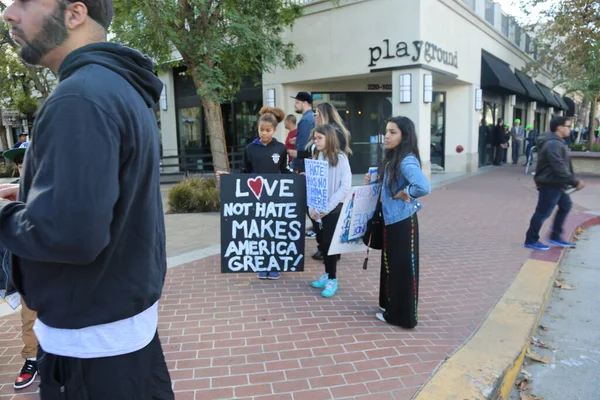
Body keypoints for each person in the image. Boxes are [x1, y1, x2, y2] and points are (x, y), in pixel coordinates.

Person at [1, 1, 174, 399]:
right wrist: (30, 193)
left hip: (90, 355)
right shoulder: (118, 85)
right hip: (120, 337)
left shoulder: (78, 97)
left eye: (24, 2)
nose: (9, 14)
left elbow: (70, 235)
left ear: (75, 14)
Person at [363, 116, 431, 329]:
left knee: (402, 269)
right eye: (386, 131)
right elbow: (388, 185)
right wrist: (373, 180)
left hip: (402, 222)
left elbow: (423, 186)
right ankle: (390, 306)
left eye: (393, 132)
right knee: (390, 266)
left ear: (404, 135)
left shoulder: (406, 160)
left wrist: (407, 192)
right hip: (391, 221)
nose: (387, 136)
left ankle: (401, 316)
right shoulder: (394, 157)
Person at [217, 107, 290, 279]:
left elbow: (285, 170)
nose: (264, 133)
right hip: (256, 197)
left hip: (275, 197)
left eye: (268, 130)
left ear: (275, 130)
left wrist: (299, 177)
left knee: (274, 231)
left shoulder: (280, 148)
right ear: (257, 128)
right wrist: (228, 177)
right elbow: (244, 172)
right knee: (259, 232)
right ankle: (262, 264)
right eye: (261, 130)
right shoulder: (250, 148)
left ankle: (274, 265)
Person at [290, 102, 352, 261]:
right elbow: (314, 156)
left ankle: (329, 254)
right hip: (318, 186)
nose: (314, 115)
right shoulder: (319, 138)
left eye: (317, 113)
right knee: (317, 219)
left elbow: (342, 178)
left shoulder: (335, 139)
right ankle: (324, 248)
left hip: (331, 189)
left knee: (327, 227)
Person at [0, 143, 39, 390]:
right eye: (22, 164)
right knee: (29, 316)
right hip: (28, 267)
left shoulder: (58, 185)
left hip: (62, 267)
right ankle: (32, 359)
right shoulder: (14, 190)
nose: (26, 168)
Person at [524, 117, 585, 251]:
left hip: (556, 183)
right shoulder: (553, 144)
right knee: (542, 213)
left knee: (565, 206)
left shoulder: (557, 142)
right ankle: (531, 239)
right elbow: (558, 166)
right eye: (568, 126)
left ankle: (555, 236)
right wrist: (574, 181)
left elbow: (562, 165)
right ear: (559, 127)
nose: (570, 129)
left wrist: (571, 180)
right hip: (550, 183)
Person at [309, 124, 352, 298]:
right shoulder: (317, 156)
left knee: (330, 246)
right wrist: (313, 207)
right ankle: (327, 274)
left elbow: (345, 186)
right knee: (323, 243)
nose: (316, 141)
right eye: (315, 137)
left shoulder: (341, 158)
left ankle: (332, 279)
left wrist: (327, 207)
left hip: (333, 210)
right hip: (318, 210)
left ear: (329, 138)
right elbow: (314, 184)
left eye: (319, 138)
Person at [291, 92, 315, 173]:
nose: (295, 105)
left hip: (302, 165)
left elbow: (303, 147)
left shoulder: (306, 120)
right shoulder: (312, 117)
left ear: (305, 103)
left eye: (297, 102)